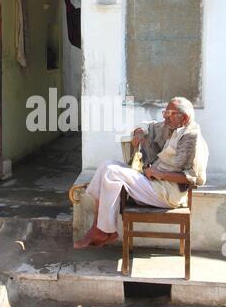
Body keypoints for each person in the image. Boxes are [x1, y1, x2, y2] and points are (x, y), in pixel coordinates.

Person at [74, 96, 209, 249]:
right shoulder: (172, 128)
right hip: (153, 183)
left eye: (168, 113)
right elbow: (150, 126)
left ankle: (102, 230)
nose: (164, 116)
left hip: (166, 193)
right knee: (107, 164)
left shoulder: (191, 138)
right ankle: (98, 228)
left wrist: (160, 174)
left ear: (183, 117)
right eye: (165, 112)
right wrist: (139, 132)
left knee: (112, 172)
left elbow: (193, 178)